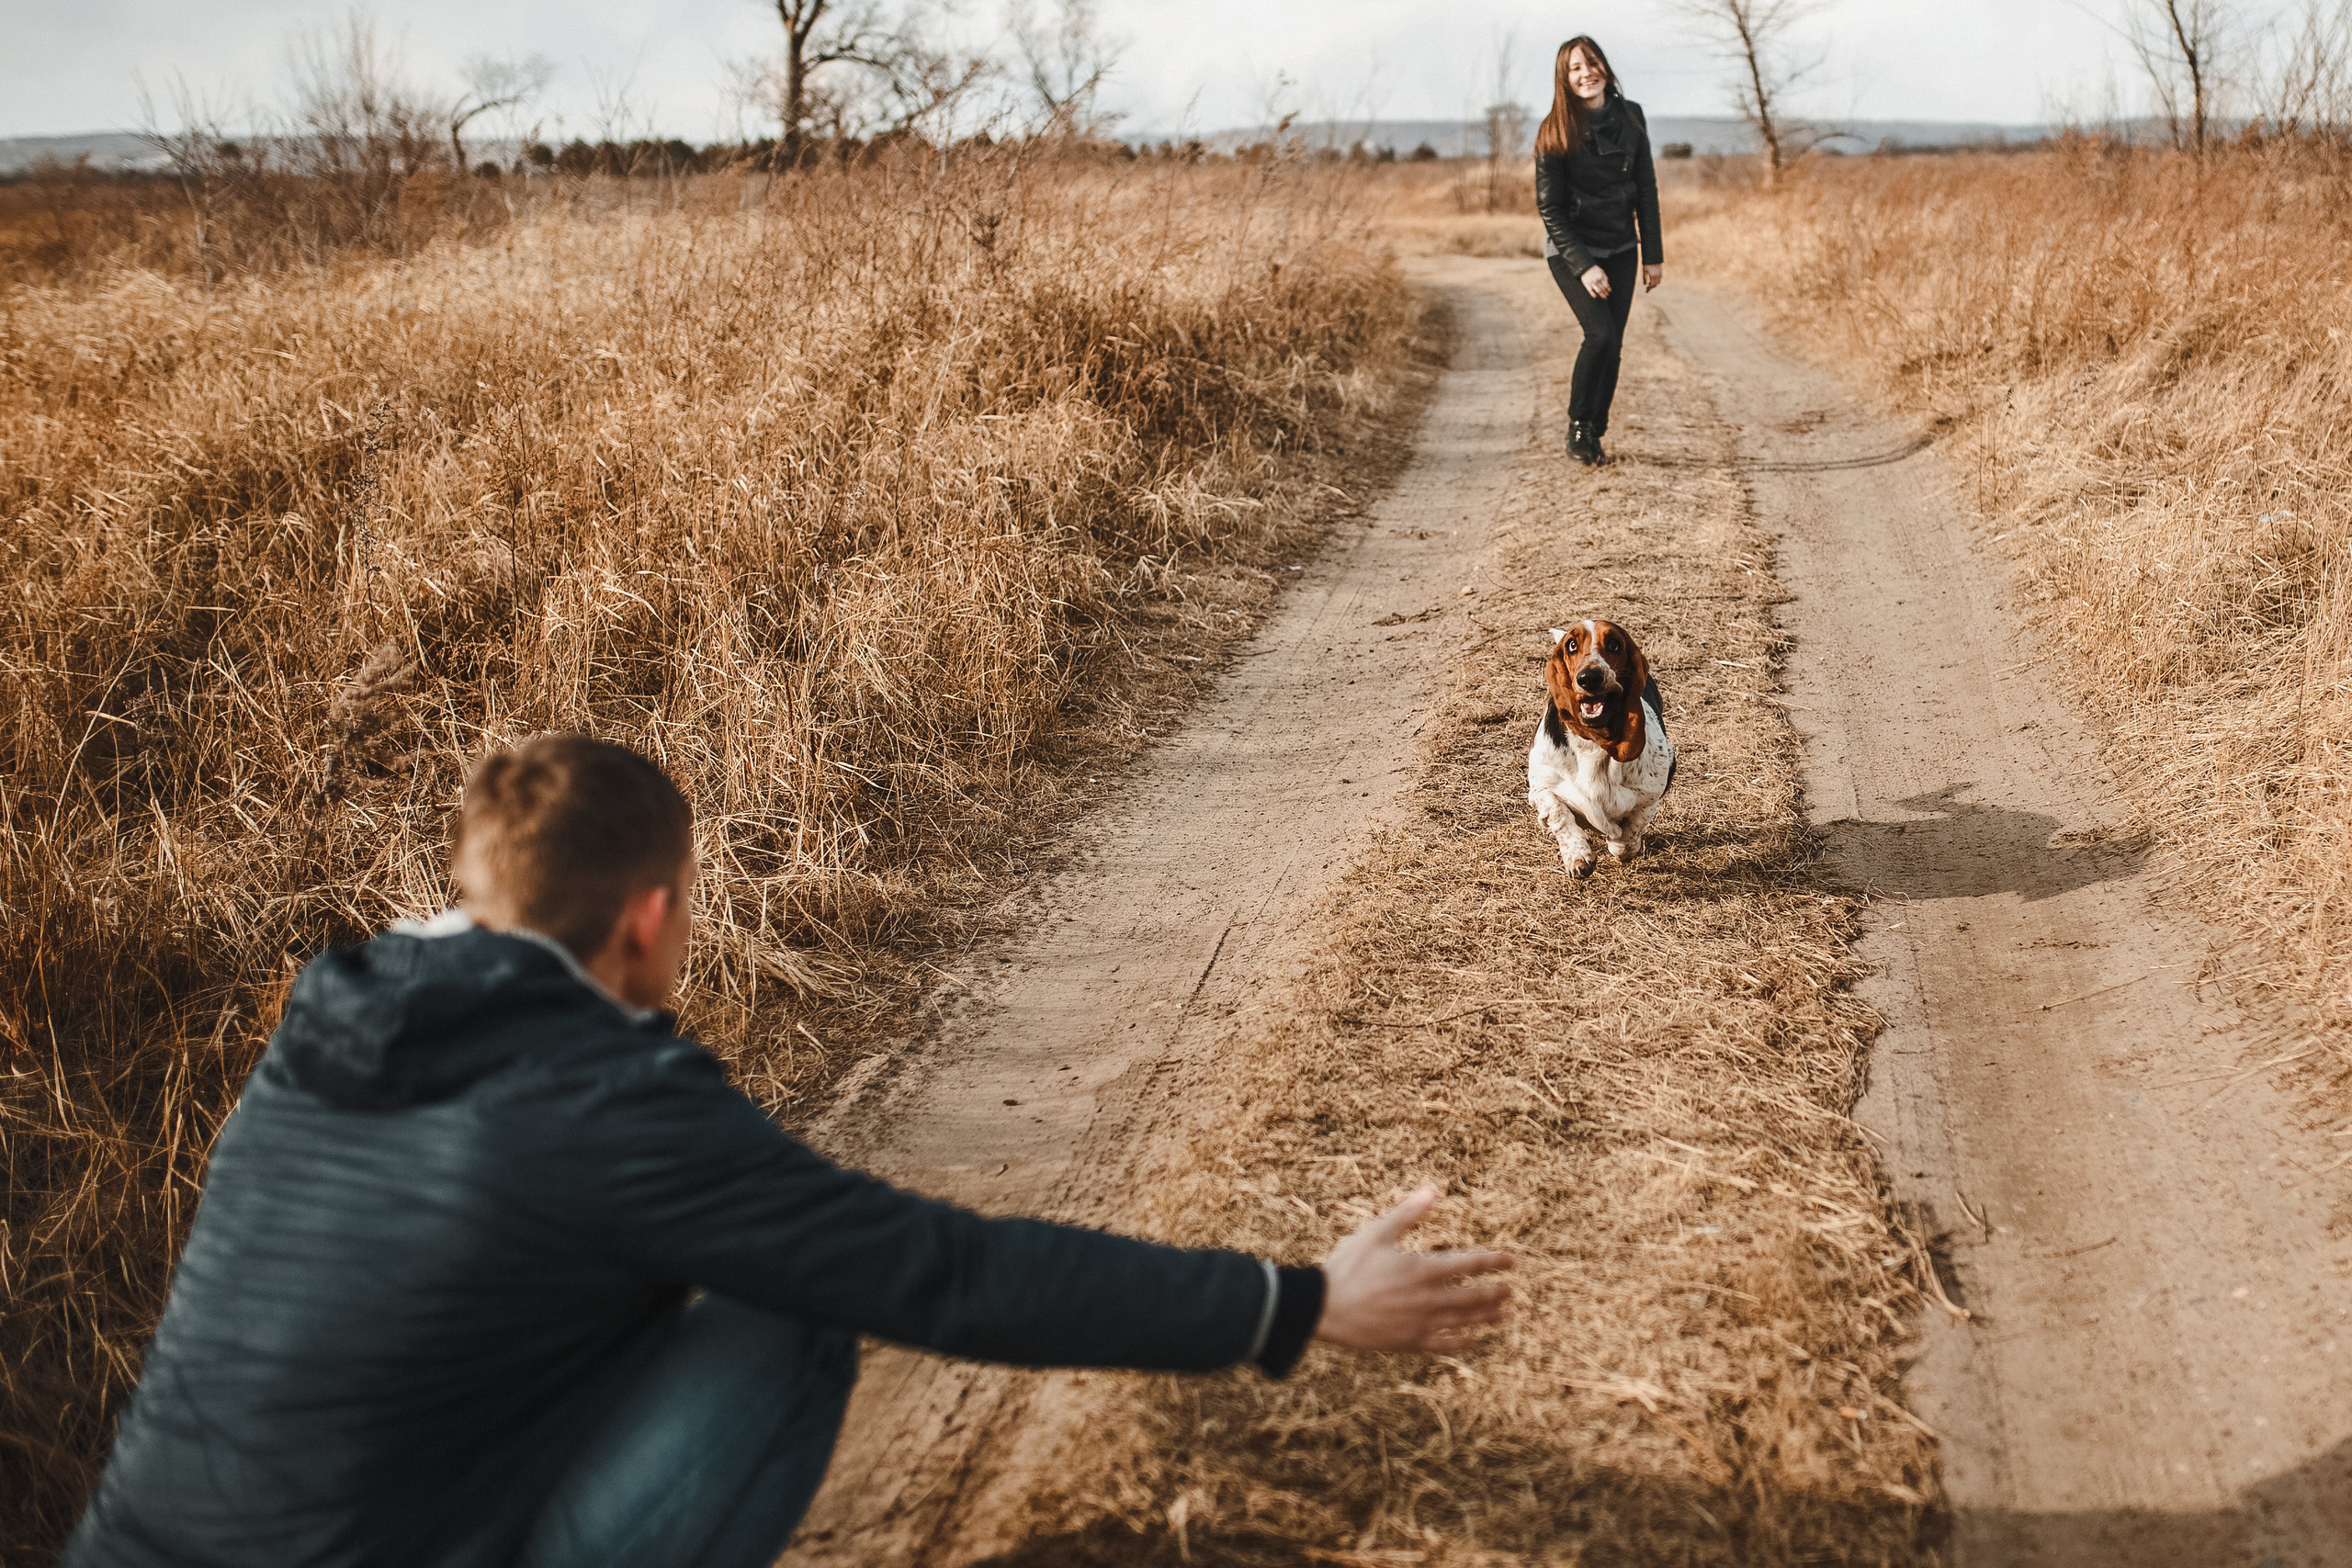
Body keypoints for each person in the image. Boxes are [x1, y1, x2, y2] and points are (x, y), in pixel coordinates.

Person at [66, 735, 1512, 1568]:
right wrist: (1300, 1301)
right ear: (648, 913)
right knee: (803, 1301)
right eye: (691, 904)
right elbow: (935, 1270)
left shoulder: (331, 1028)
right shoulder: (602, 1097)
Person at [1535, 35, 1665, 467]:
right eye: (1574, 68)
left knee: (1615, 344)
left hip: (1622, 246)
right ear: (1564, 79)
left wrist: (1653, 254)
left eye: (1591, 63)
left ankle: (1595, 431)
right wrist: (1584, 265)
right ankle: (1577, 426)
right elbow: (1549, 208)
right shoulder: (1554, 129)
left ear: (1604, 67)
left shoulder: (1632, 116)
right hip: (1572, 249)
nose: (1585, 73)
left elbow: (1646, 188)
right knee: (1600, 335)